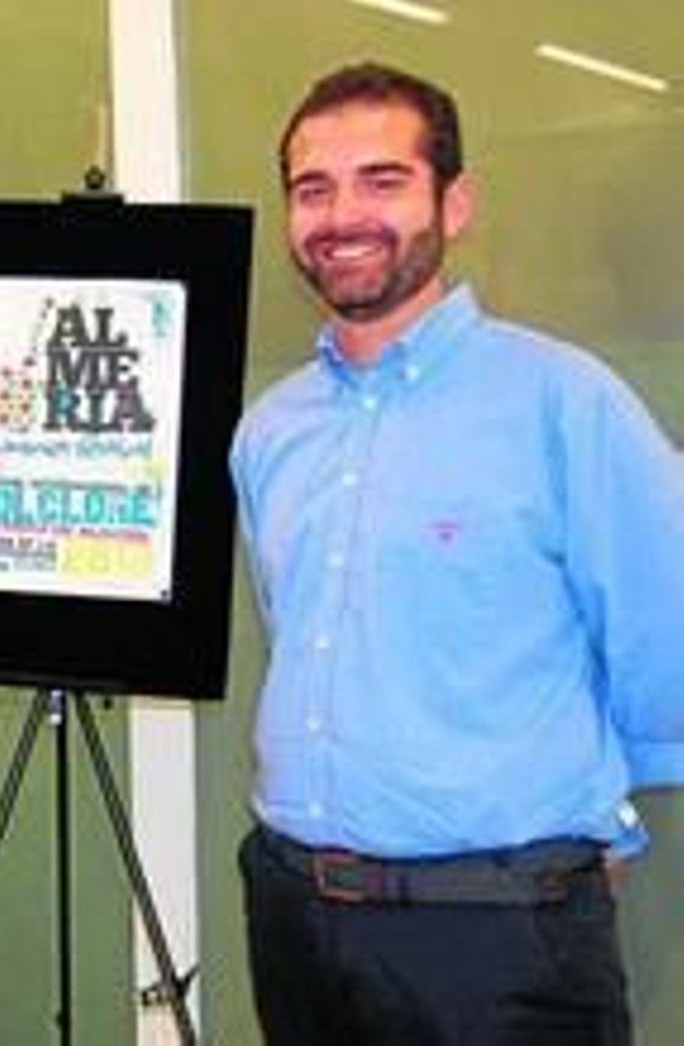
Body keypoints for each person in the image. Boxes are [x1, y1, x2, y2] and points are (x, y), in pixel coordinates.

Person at [230, 61, 684, 1044]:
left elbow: (668, 637)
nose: (343, 216)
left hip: (501, 935)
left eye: (382, 180)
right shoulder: (269, 430)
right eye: (313, 189)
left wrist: (596, 820)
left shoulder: (563, 401)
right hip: (296, 917)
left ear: (455, 202)